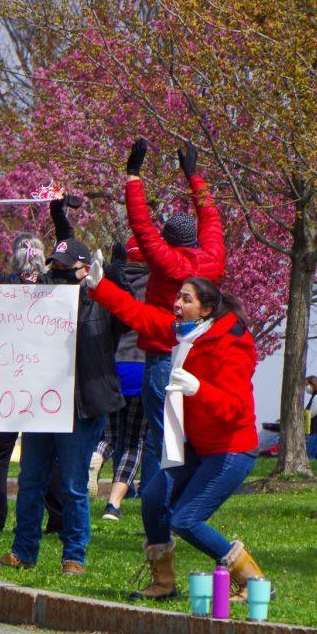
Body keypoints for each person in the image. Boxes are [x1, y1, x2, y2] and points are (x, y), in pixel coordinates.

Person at [87, 264, 266, 601]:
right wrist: (100, 287)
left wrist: (200, 389)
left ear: (207, 309)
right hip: (196, 445)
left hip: (231, 450)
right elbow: (141, 316)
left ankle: (252, 581)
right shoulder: (189, 333)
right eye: (178, 297)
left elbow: (236, 410)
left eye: (186, 299)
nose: (176, 304)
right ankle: (164, 583)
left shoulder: (232, 345)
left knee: (186, 519)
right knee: (153, 499)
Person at [0, 233, 126, 576]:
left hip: (82, 406)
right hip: (41, 404)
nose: (58, 275)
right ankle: (23, 552)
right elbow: (7, 325)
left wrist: (106, 284)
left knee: (74, 483)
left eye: (66, 269)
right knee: (30, 479)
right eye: (54, 268)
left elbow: (128, 307)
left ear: (85, 269)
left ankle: (74, 557)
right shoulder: (38, 302)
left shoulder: (102, 304)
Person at [0, 197, 80, 534]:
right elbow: (71, 251)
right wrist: (59, 214)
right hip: (47, 389)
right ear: (46, 258)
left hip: (4, 388)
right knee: (50, 454)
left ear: (13, 258)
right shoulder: (57, 287)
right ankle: (57, 519)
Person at [123, 138, 227, 506]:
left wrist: (134, 176)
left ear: (167, 240)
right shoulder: (212, 259)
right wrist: (193, 174)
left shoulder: (164, 262)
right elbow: (211, 217)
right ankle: (183, 496)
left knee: (159, 435)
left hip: (163, 356)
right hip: (199, 357)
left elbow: (140, 224)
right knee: (186, 433)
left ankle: (155, 501)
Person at [92, 237, 150, 521]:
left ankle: (97, 456)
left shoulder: (111, 278)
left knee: (109, 435)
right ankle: (113, 505)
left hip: (112, 365)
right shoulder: (158, 283)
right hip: (141, 366)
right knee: (134, 440)